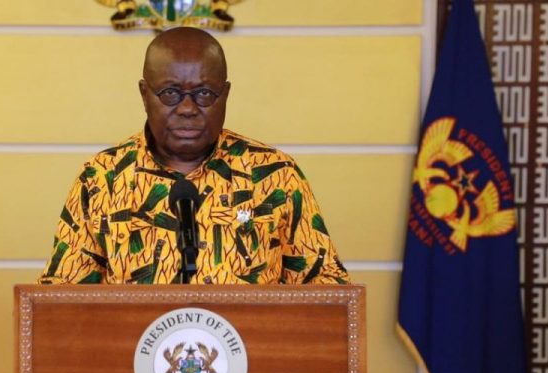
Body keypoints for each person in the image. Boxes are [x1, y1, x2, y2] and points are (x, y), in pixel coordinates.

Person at [38, 27, 349, 285]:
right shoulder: (101, 178)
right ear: (145, 95)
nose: (187, 108)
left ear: (225, 95)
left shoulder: (276, 175)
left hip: (252, 345)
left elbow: (326, 290)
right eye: (170, 93)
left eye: (204, 93)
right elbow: (62, 299)